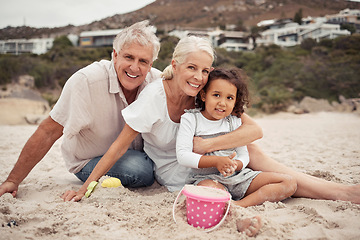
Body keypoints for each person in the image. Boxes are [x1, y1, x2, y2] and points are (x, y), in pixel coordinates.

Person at [61, 35, 263, 236]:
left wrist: (207, 145)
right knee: (231, 165)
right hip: (180, 171)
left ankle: (294, 180)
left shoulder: (203, 94)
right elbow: (118, 146)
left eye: (204, 71)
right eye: (191, 68)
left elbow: (254, 130)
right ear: (175, 65)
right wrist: (84, 188)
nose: (198, 77)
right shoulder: (154, 96)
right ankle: (235, 215)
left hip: (210, 161)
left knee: (253, 152)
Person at [0, 20, 162, 198]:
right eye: (129, 57)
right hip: (90, 162)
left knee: (152, 163)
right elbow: (48, 131)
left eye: (143, 61)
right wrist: (13, 180)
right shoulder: (86, 81)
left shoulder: (157, 83)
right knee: (140, 169)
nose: (134, 67)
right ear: (115, 55)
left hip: (138, 155)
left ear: (151, 64)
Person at [176, 68, 297, 207]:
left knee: (288, 183)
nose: (222, 103)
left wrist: (235, 165)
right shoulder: (191, 119)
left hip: (238, 177)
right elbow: (183, 156)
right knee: (209, 194)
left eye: (229, 98)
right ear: (204, 95)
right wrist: (216, 161)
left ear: (235, 101)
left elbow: (243, 154)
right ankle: (227, 204)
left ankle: (239, 206)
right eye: (216, 95)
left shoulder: (233, 121)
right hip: (206, 179)